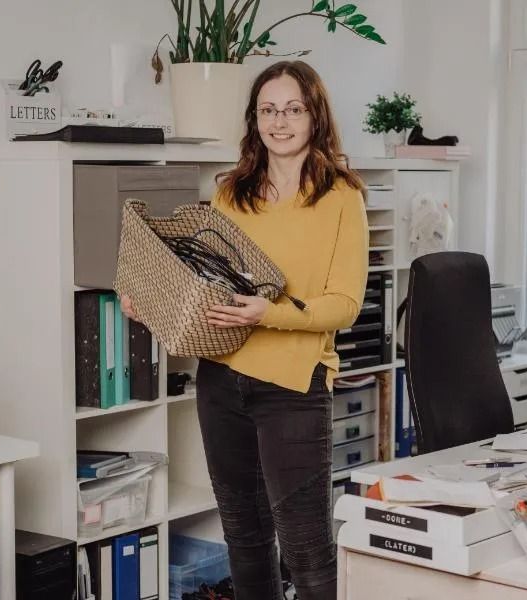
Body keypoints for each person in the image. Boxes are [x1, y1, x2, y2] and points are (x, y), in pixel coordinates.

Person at [121, 60, 368, 600]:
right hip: (222, 381)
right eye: (268, 110)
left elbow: (345, 304)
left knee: (305, 549)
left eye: (293, 110)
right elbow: (209, 280)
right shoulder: (231, 192)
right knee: (244, 540)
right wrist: (155, 302)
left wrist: (269, 313)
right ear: (254, 119)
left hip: (293, 388)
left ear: (315, 116)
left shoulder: (342, 197)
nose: (280, 122)